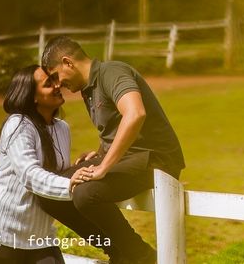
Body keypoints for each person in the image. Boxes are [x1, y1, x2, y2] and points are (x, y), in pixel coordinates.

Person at [38, 36, 185, 264]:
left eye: (56, 76)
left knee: (86, 194)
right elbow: (115, 127)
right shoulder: (89, 89)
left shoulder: (111, 72)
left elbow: (135, 114)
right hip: (128, 159)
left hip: (156, 160)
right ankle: (118, 252)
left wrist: (104, 166)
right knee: (50, 194)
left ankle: (140, 255)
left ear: (68, 62)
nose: (57, 85)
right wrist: (100, 153)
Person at [0, 65, 96, 264]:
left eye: (55, 80)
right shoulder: (18, 125)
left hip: (38, 239)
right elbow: (30, 175)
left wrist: (82, 165)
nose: (57, 85)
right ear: (32, 96)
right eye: (48, 84)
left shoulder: (62, 128)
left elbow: (54, 174)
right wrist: (70, 184)